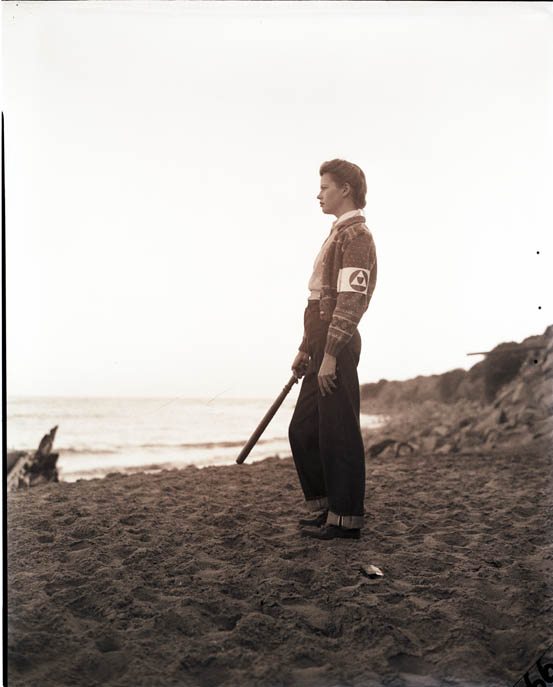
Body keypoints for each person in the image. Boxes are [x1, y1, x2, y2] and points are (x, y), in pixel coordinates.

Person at [288, 159, 377, 541]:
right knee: (304, 429)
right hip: (321, 340)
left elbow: (351, 300)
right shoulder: (336, 233)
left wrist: (329, 353)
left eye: (325, 186)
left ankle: (345, 519)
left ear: (345, 189)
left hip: (337, 343)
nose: (319, 193)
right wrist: (307, 347)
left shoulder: (357, 236)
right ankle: (328, 507)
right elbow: (317, 299)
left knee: (338, 431)